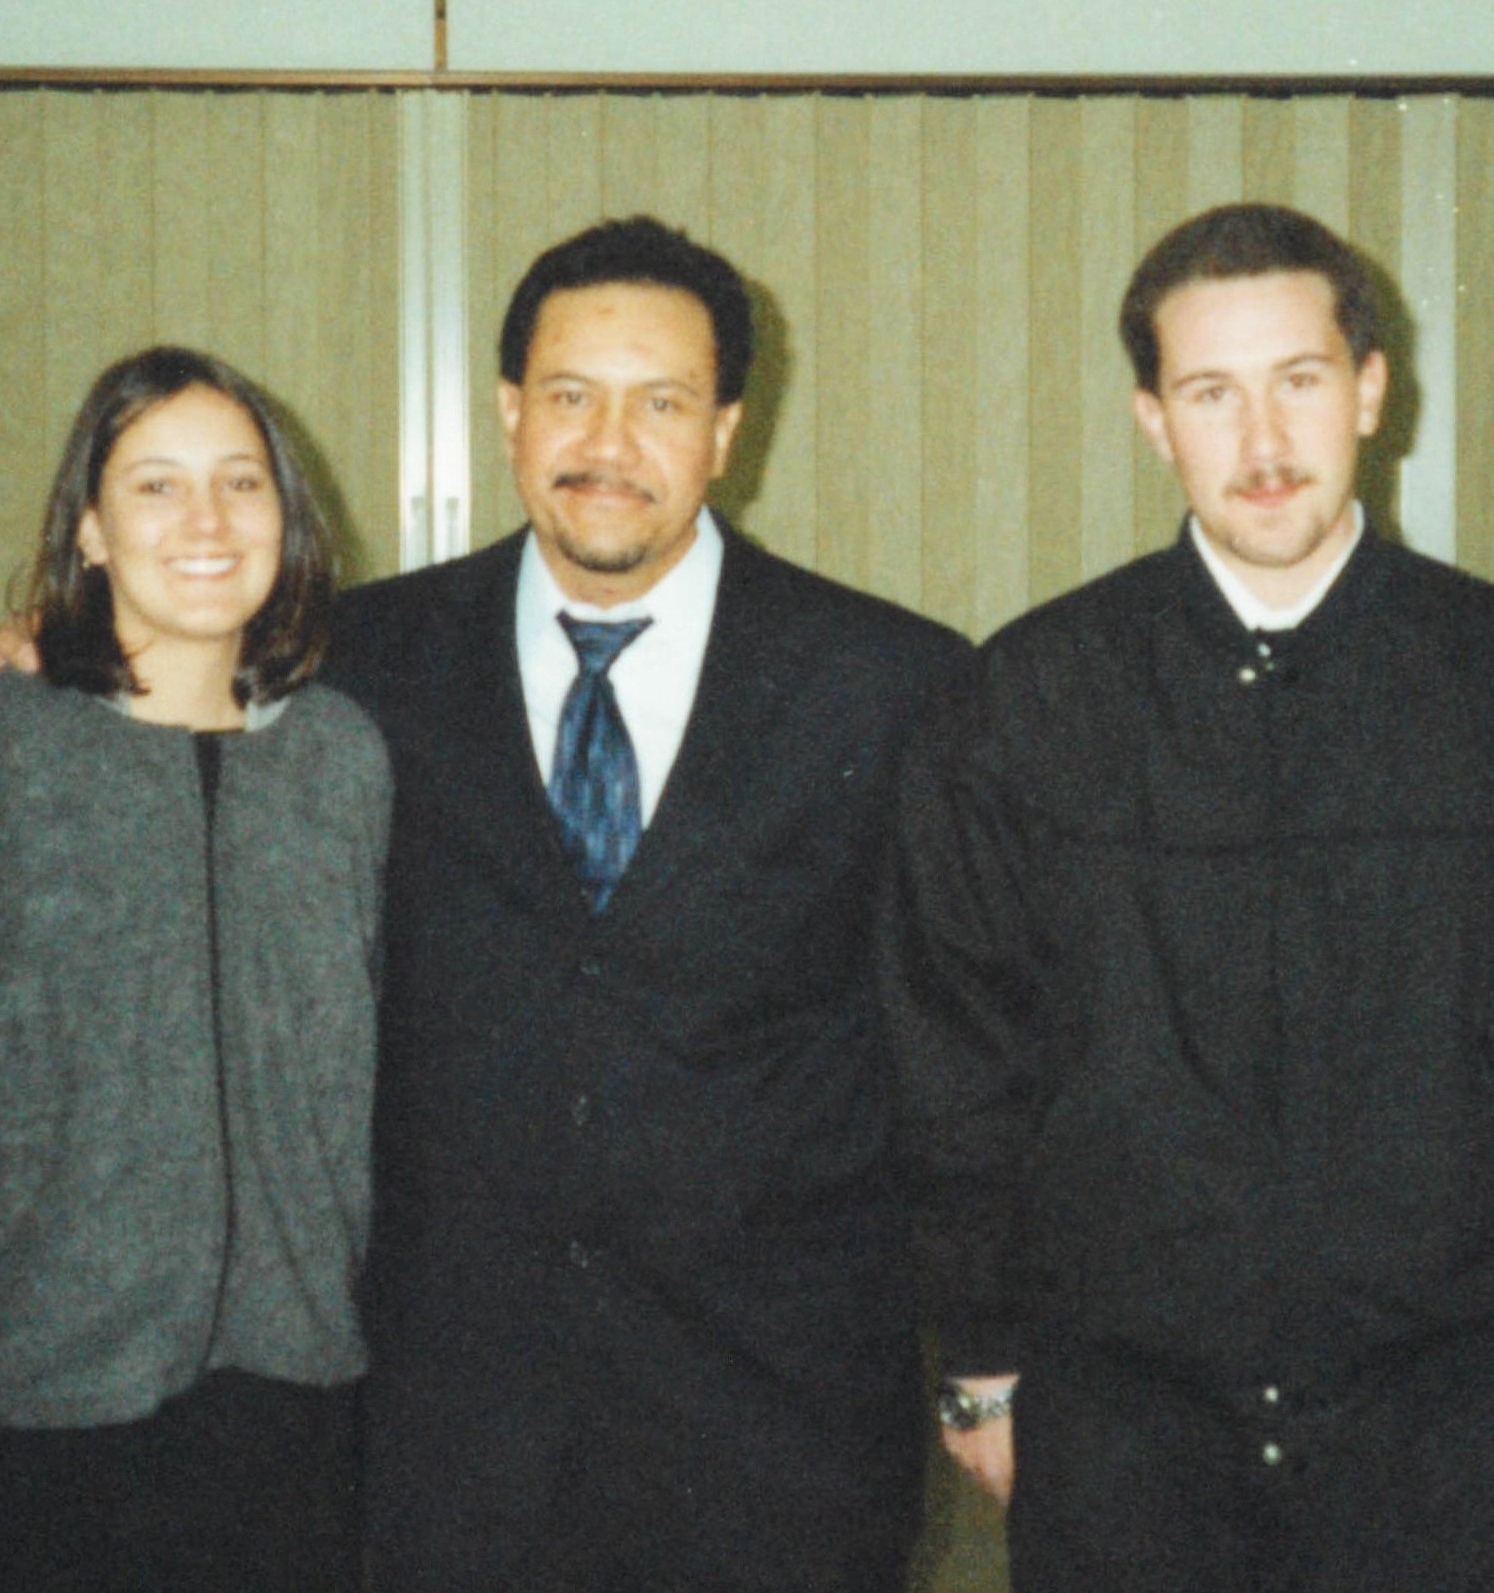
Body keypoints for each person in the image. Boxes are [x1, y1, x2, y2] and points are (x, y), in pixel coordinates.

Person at [882, 203, 1494, 1591]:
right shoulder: (1020, 706)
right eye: (1210, 393)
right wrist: (981, 1355)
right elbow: (953, 1059)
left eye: (1297, 380)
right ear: (1151, 420)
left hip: (1429, 1411)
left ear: (1370, 388)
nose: (1261, 442)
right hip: (1114, 1421)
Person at [327, 216, 968, 1592]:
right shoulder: (355, 667)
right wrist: (33, 657)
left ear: (726, 431)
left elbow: (958, 1051)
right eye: (569, 394)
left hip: (778, 1436)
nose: (607, 444)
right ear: (507, 411)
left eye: (661, 403)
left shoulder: (890, 688)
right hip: (448, 1437)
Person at [0, 346, 391, 1592]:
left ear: (287, 516)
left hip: (282, 1408)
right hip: (24, 1403)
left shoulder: (341, 762)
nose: (207, 520)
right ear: (92, 530)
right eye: (156, 485)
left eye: (241, 481)